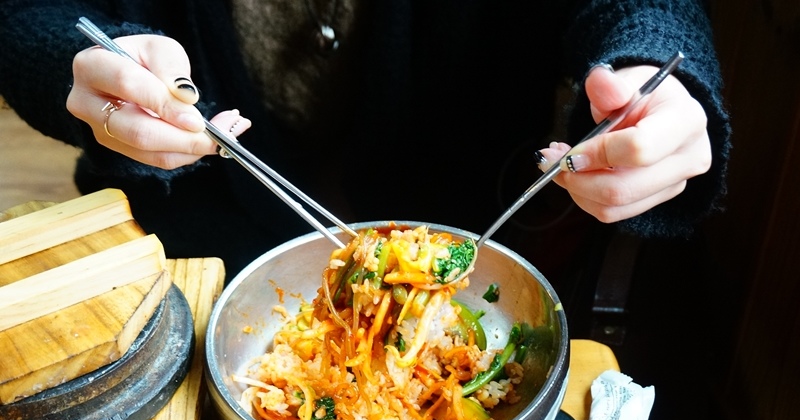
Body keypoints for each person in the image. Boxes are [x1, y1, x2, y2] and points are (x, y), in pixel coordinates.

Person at [0, 1, 731, 286]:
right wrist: (78, 65)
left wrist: (653, 62)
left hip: (470, 257)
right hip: (188, 259)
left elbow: (639, 7)